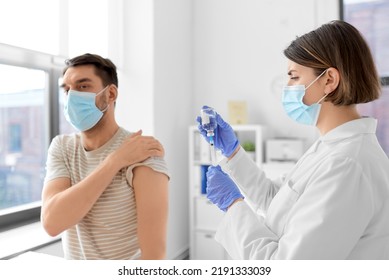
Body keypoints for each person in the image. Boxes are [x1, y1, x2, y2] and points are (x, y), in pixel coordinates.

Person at [197, 20, 389, 259]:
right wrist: (233, 152)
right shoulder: (330, 147)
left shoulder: (346, 164)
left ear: (329, 80)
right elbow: (276, 201)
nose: (287, 87)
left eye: (294, 77)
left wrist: (233, 205)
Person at [41, 53, 169, 260]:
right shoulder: (62, 147)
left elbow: (154, 255)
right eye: (67, 89)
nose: (71, 96)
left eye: (83, 86)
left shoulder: (143, 153)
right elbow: (52, 222)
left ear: (110, 94)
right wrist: (114, 161)